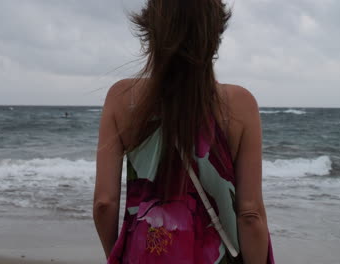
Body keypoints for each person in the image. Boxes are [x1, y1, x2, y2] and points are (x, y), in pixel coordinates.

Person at [93, 0, 275, 263]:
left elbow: (104, 204)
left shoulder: (122, 98)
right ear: (214, 32)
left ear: (150, 28)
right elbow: (250, 214)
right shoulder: (239, 104)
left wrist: (120, 255)